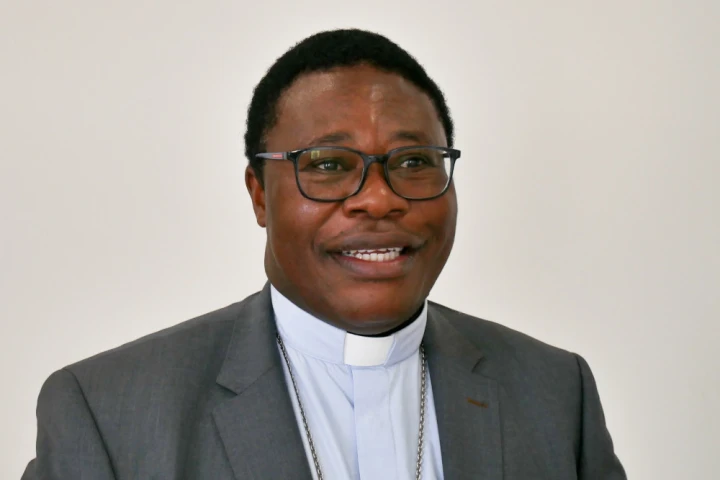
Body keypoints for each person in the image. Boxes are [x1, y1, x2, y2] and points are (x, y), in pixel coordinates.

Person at [22, 29, 626, 479]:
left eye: (414, 161)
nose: (380, 199)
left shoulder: (554, 392)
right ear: (260, 195)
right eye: (330, 165)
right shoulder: (107, 413)